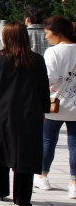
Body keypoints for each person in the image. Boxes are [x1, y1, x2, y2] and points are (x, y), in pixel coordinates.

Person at [0, 22, 50, 206]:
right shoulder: (37, 60)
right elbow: (43, 88)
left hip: (1, 112)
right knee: (25, 155)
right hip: (29, 113)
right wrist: (44, 109)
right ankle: (22, 198)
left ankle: (0, 189)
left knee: (0, 150)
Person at [39, 16, 76, 196]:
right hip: (75, 105)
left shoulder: (52, 52)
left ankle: (43, 176)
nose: (46, 37)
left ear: (58, 33)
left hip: (55, 103)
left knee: (48, 142)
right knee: (75, 145)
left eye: (47, 33)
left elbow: (48, 78)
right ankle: (74, 182)